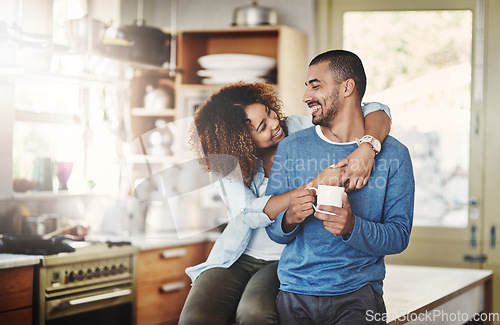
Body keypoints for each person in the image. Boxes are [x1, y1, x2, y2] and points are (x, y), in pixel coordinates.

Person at [178, 81, 392, 325]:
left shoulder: (300, 127)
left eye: (269, 113)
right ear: (240, 142)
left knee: (254, 313)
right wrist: (314, 184)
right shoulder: (227, 162)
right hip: (236, 256)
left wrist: (367, 146)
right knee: (194, 318)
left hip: (287, 257)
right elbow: (248, 212)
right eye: (262, 126)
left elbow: (377, 109)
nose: (274, 124)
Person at [265, 50, 415, 324]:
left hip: (358, 296)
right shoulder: (290, 148)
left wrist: (351, 227)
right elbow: (273, 230)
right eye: (307, 86)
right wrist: (289, 217)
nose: (306, 96)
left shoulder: (394, 155)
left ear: (347, 87)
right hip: (295, 294)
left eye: (316, 85)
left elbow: (399, 236)